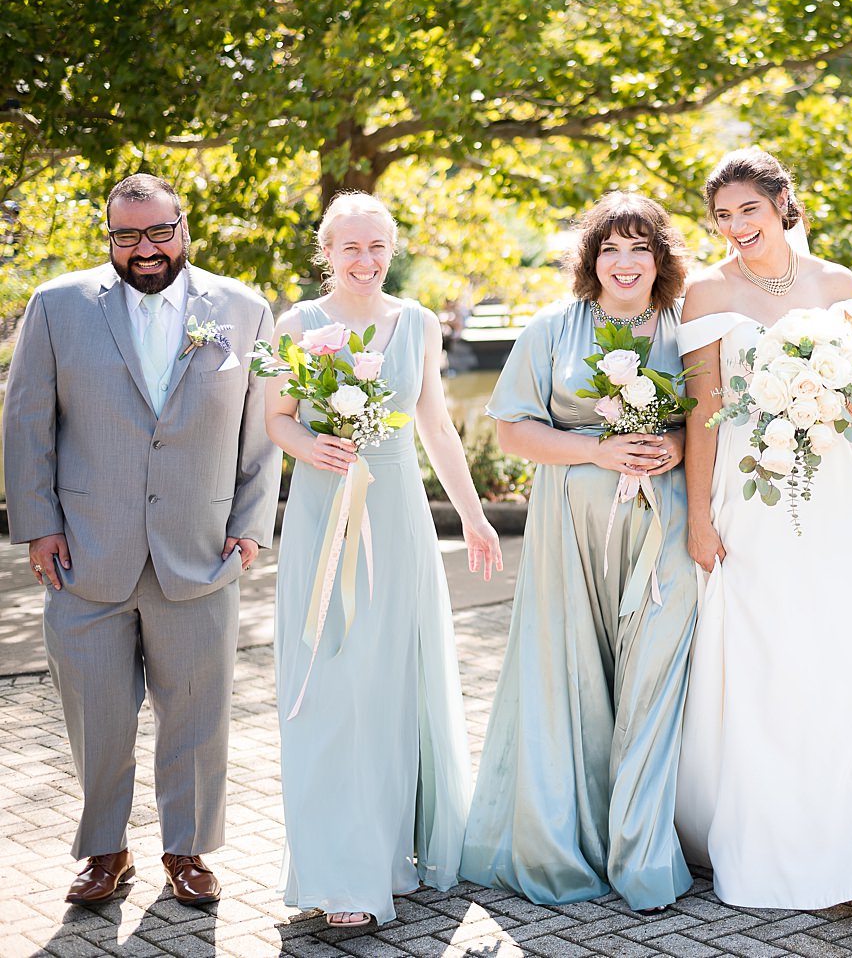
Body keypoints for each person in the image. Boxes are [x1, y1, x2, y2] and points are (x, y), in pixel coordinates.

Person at [3, 173, 279, 906]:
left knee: (197, 711)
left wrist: (251, 525)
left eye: (160, 231)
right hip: (86, 554)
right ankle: (106, 852)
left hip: (201, 550)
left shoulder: (245, 309)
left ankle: (187, 852)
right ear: (110, 238)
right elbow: (28, 420)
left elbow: (264, 428)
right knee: (97, 715)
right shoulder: (59, 306)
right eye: (128, 235)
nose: (146, 248)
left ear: (184, 228)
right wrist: (37, 526)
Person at [674, 148, 852, 909]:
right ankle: (781, 836)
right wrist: (699, 515)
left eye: (748, 211)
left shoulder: (838, 285)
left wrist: (821, 392)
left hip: (836, 487)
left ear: (782, 202)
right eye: (722, 217)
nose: (736, 228)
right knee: (770, 648)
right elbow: (702, 413)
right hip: (749, 495)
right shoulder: (705, 293)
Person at [267, 192, 502, 927]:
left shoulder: (419, 323)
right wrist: (311, 444)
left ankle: (391, 854)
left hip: (396, 514)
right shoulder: (297, 325)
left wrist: (472, 515)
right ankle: (339, 875)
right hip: (321, 513)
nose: (365, 261)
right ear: (326, 251)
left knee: (393, 687)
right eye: (350, 247)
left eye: (378, 247)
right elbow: (275, 417)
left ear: (390, 250)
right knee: (332, 682)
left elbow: (434, 423)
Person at [461, 193, 698, 910]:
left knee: (654, 679)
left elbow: (711, 424)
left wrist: (675, 444)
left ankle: (643, 851)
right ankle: (574, 839)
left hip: (667, 531)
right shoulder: (552, 330)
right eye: (610, 249)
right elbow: (511, 431)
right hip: (570, 531)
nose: (624, 263)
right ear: (590, 260)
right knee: (575, 684)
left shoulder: (688, 330)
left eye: (639, 248)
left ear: (661, 259)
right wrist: (601, 449)